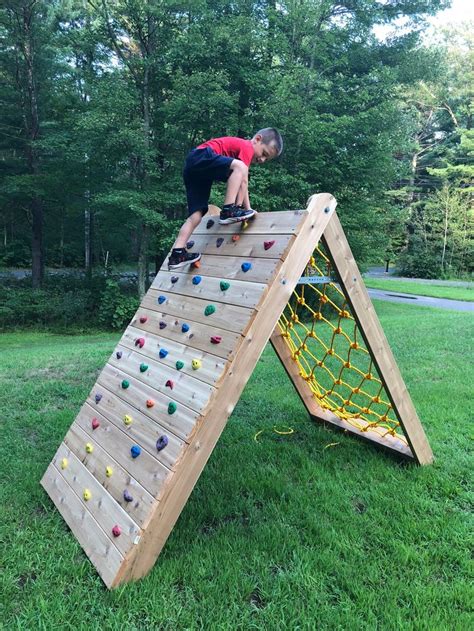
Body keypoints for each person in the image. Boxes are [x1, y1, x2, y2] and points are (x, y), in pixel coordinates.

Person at [167, 128, 283, 270]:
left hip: (195, 170)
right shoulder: (247, 146)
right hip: (201, 155)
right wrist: (243, 208)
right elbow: (244, 181)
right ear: (257, 139)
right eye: (264, 153)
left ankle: (177, 254)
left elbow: (241, 182)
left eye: (267, 158)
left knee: (196, 215)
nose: (262, 159)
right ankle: (229, 210)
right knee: (240, 168)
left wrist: (248, 210)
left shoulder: (241, 160)